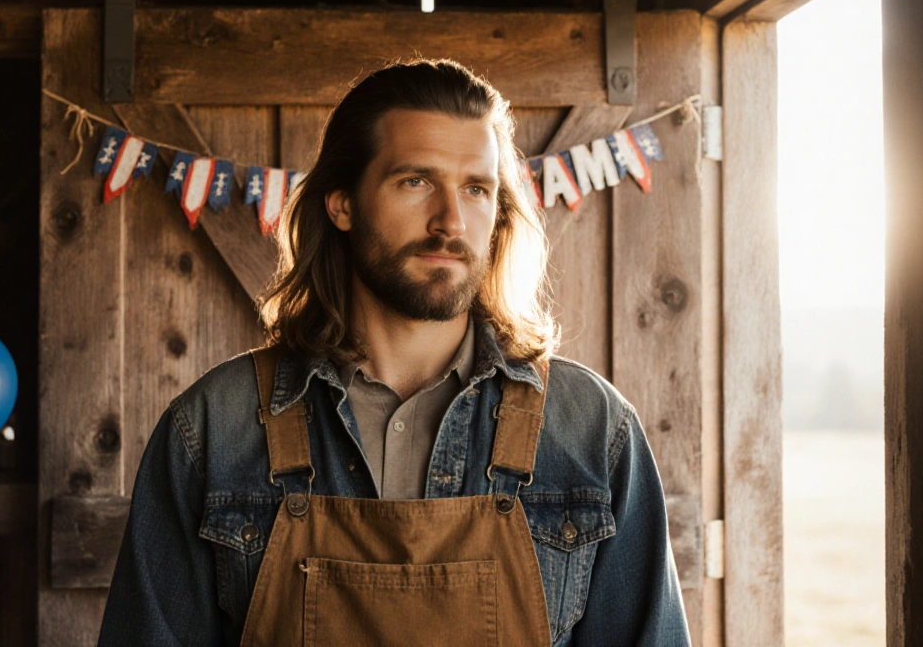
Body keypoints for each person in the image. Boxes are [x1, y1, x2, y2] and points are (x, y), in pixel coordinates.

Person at [97, 59, 690, 647]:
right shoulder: (212, 431)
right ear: (342, 204)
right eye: (416, 181)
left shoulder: (591, 430)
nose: (450, 220)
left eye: (476, 189)